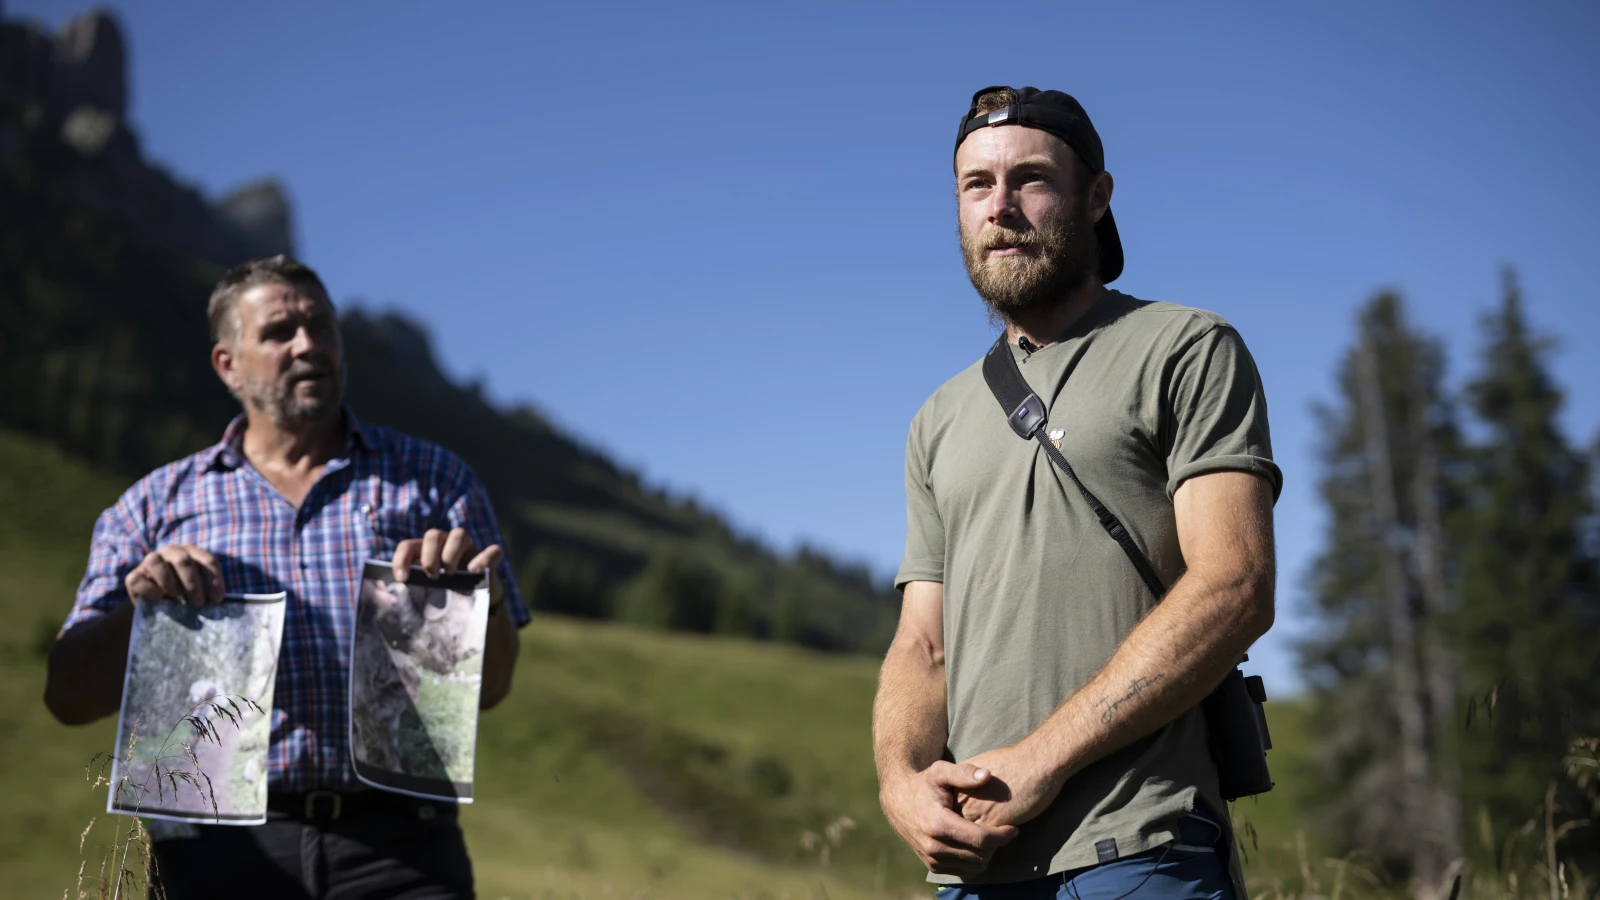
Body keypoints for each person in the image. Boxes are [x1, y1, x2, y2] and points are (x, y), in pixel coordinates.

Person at [872, 86, 1280, 899]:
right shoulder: (938, 418)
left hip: (1142, 849)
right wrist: (901, 782)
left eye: (1030, 179)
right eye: (976, 185)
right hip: (975, 870)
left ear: (1096, 197)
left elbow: (1235, 586)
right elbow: (924, 643)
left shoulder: (1185, 348)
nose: (1001, 207)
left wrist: (1040, 763)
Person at [43, 254, 530, 900]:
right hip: (215, 851)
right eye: (278, 332)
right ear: (228, 364)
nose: (308, 345)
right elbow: (67, 697)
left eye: (321, 326)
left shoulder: (437, 484)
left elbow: (490, 690)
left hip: (402, 848)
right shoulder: (153, 507)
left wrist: (483, 603)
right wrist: (143, 614)